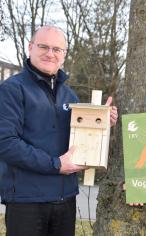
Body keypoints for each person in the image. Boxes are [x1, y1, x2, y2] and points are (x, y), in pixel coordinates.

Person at [0, 25, 118, 236]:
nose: (50, 53)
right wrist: (56, 165)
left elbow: (76, 141)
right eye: (43, 46)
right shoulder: (12, 89)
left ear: (64, 55)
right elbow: (6, 143)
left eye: (57, 49)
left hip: (65, 200)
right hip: (27, 201)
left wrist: (100, 123)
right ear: (30, 47)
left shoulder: (69, 96)